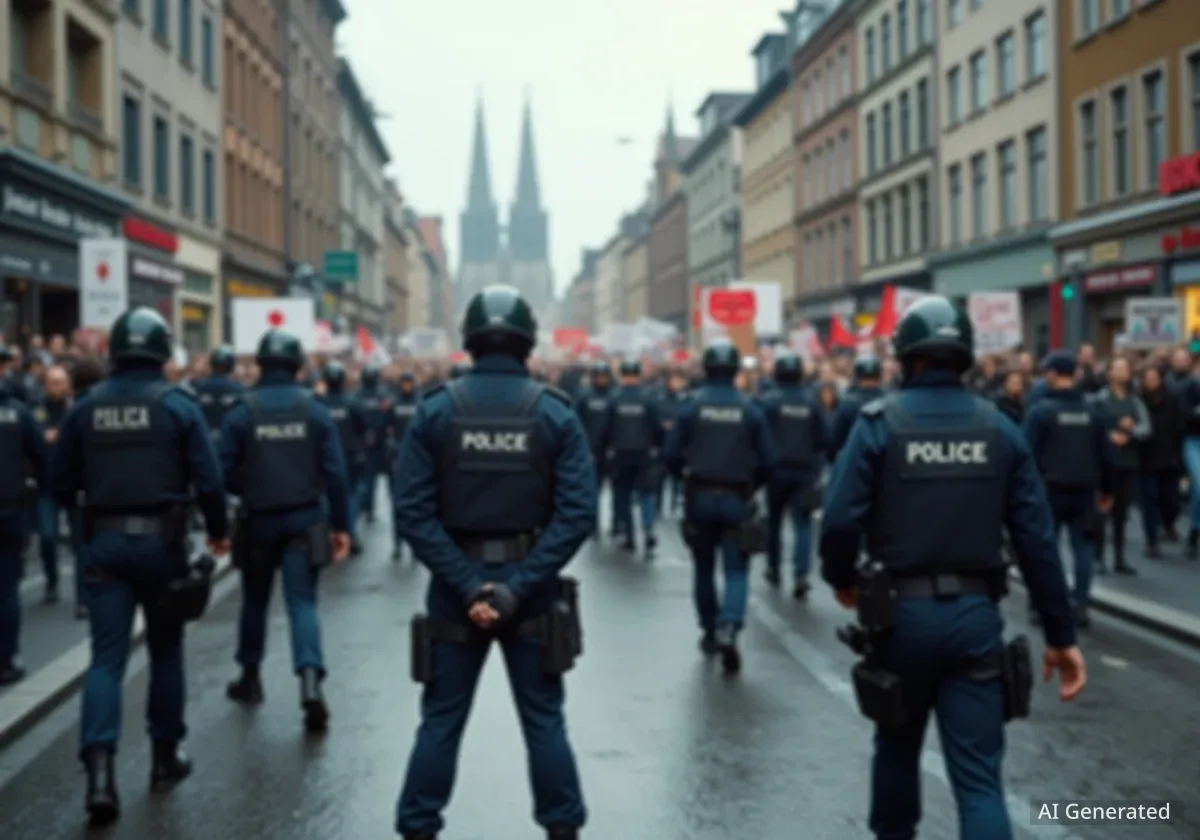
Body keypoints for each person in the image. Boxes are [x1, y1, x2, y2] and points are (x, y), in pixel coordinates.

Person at [820, 297, 1086, 840]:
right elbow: (1036, 541)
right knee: (980, 783)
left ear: (904, 356)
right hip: (974, 620)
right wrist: (1061, 635)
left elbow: (839, 520)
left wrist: (841, 578)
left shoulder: (877, 425)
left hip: (899, 621)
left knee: (897, 749)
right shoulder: (1000, 428)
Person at [393, 285, 593, 840]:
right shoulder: (554, 413)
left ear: (471, 340)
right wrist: (515, 589)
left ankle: (418, 828)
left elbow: (412, 512)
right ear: (528, 340)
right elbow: (576, 514)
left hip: (455, 589)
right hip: (532, 590)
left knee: (440, 720)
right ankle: (562, 829)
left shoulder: (437, 410)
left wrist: (467, 585)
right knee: (544, 719)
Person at [50, 308, 230, 826]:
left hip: (103, 545)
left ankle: (99, 776)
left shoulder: (86, 407)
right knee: (165, 650)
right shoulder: (177, 405)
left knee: (105, 659)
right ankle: (164, 760)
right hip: (161, 546)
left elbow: (60, 483)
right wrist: (218, 531)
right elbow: (209, 480)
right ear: (162, 351)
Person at [219, 329, 353, 732]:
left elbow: (223, 472)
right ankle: (310, 681)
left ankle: (250, 678)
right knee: (302, 604)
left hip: (258, 520)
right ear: (297, 366)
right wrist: (342, 526)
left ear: (260, 363)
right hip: (304, 519)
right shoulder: (315, 410)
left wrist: (250, 489)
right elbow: (336, 475)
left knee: (255, 603)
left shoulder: (242, 411)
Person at [663, 338, 776, 674]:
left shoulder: (691, 406)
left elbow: (670, 453)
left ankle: (710, 630)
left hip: (699, 497)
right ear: (736, 369)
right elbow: (770, 460)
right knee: (736, 569)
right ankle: (730, 624)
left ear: (706, 369)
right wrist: (752, 485)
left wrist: (684, 479)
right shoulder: (750, 408)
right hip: (736, 498)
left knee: (703, 568)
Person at [0, 343, 48, 684]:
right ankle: (5, 662)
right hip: (9, 513)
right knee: (6, 592)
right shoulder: (18, 413)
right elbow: (42, 459)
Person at [759, 351, 825, 597]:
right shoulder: (812, 402)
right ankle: (801, 574)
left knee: (774, 521)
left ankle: (773, 568)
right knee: (803, 524)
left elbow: (759, 437)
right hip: (804, 472)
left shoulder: (768, 402)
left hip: (776, 472)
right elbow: (824, 437)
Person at [606, 359, 662, 554]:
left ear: (622, 376)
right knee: (646, 494)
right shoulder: (648, 399)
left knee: (623, 495)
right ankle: (648, 531)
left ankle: (629, 536)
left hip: (620, 453)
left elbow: (607, 429)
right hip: (644, 453)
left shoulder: (614, 399)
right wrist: (656, 447)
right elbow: (657, 426)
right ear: (639, 376)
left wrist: (605, 449)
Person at [32, 364, 73, 607]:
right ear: (45, 385)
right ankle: (51, 581)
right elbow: (35, 438)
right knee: (48, 537)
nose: (57, 386)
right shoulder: (37, 410)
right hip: (46, 484)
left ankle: (83, 593)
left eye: (61, 381)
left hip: (72, 483)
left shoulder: (74, 408)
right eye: (53, 382)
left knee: (80, 541)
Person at [318, 361, 366, 554]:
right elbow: (362, 428)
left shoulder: (318, 405)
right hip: (349, 457)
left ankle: (330, 535)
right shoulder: (352, 404)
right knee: (351, 497)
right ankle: (349, 534)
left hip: (324, 459)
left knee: (325, 498)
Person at [574, 360, 614, 537]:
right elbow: (577, 423)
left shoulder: (614, 396)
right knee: (592, 489)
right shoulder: (584, 396)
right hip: (589, 449)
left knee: (611, 488)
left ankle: (616, 523)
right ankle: (593, 524)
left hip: (609, 450)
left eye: (604, 377)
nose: (601, 380)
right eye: (598, 377)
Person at [386, 371, 421, 560]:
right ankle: (398, 544)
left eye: (409, 383)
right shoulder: (394, 403)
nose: (407, 386)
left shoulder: (420, 403)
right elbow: (386, 429)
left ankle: (415, 546)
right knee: (398, 505)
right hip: (398, 458)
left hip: (416, 461)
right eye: (404, 383)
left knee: (416, 507)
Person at [829, 356, 885, 462]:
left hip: (855, 461)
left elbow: (835, 439)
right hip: (883, 461)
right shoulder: (888, 400)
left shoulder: (847, 402)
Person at [355, 365, 391, 524]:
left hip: (366, 443)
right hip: (374, 442)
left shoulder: (357, 396)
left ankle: (365, 506)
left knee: (364, 478)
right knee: (370, 478)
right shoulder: (381, 395)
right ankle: (367, 507)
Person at [192, 346, 245, 443]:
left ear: (211, 365)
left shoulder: (198, 389)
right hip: (230, 443)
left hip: (204, 442)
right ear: (231, 367)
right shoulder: (240, 391)